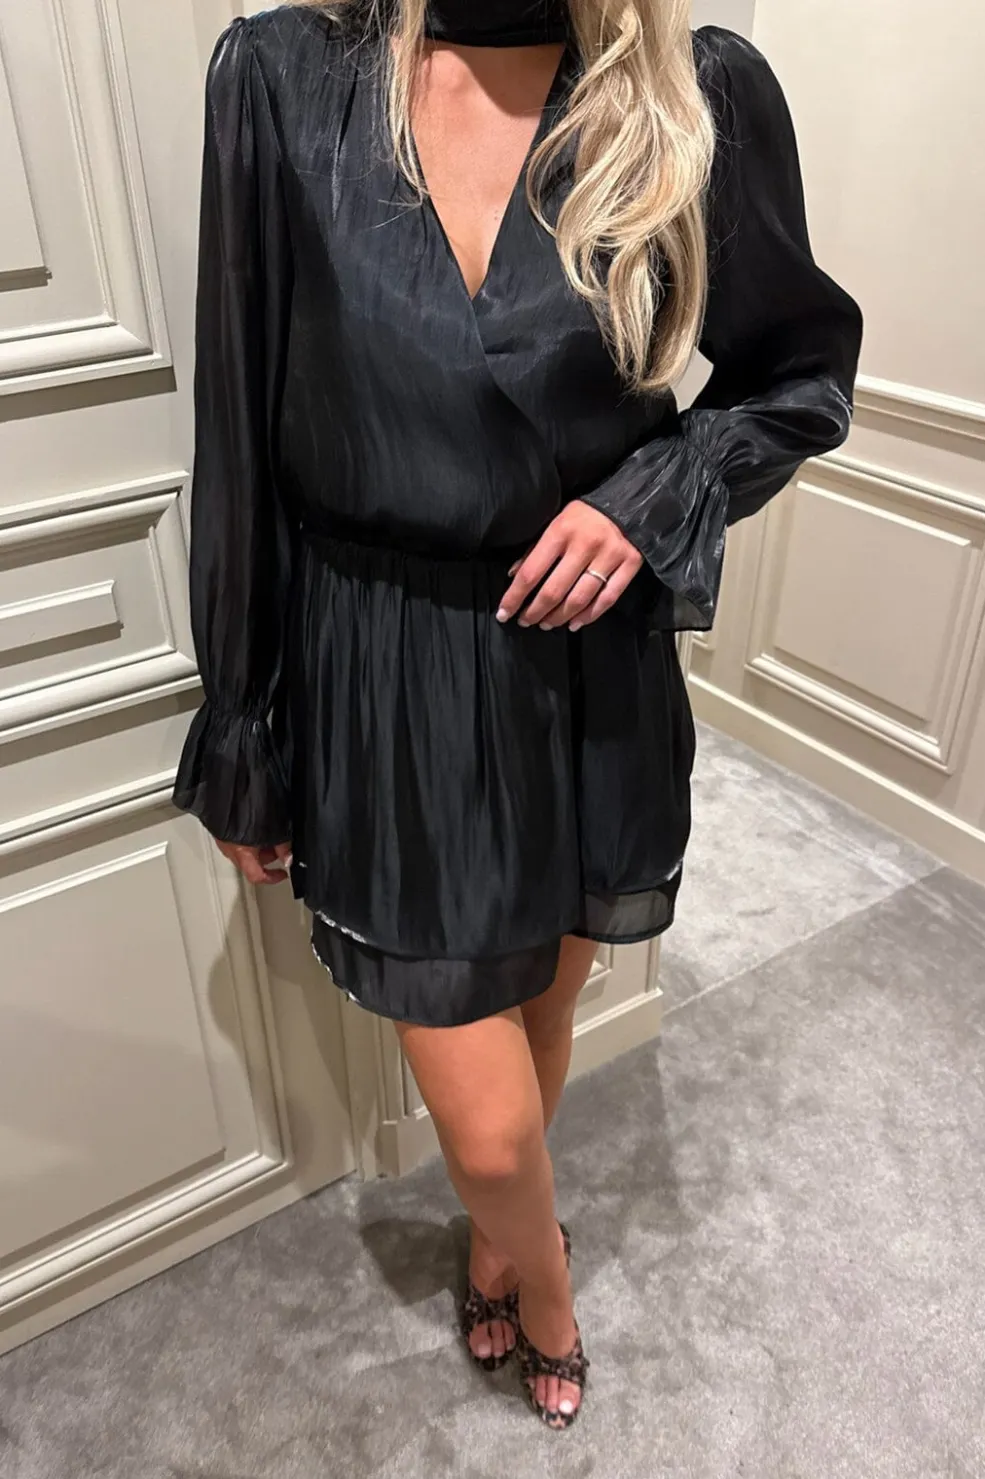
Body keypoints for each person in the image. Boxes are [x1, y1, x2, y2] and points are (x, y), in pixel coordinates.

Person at [173, 0, 862, 1430]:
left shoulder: (691, 92)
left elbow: (800, 376)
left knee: (548, 1004)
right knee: (487, 1123)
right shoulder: (288, 81)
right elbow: (237, 430)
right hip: (391, 669)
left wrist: (653, 498)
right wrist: (243, 723)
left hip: (589, 660)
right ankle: (545, 1284)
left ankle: (496, 1249)